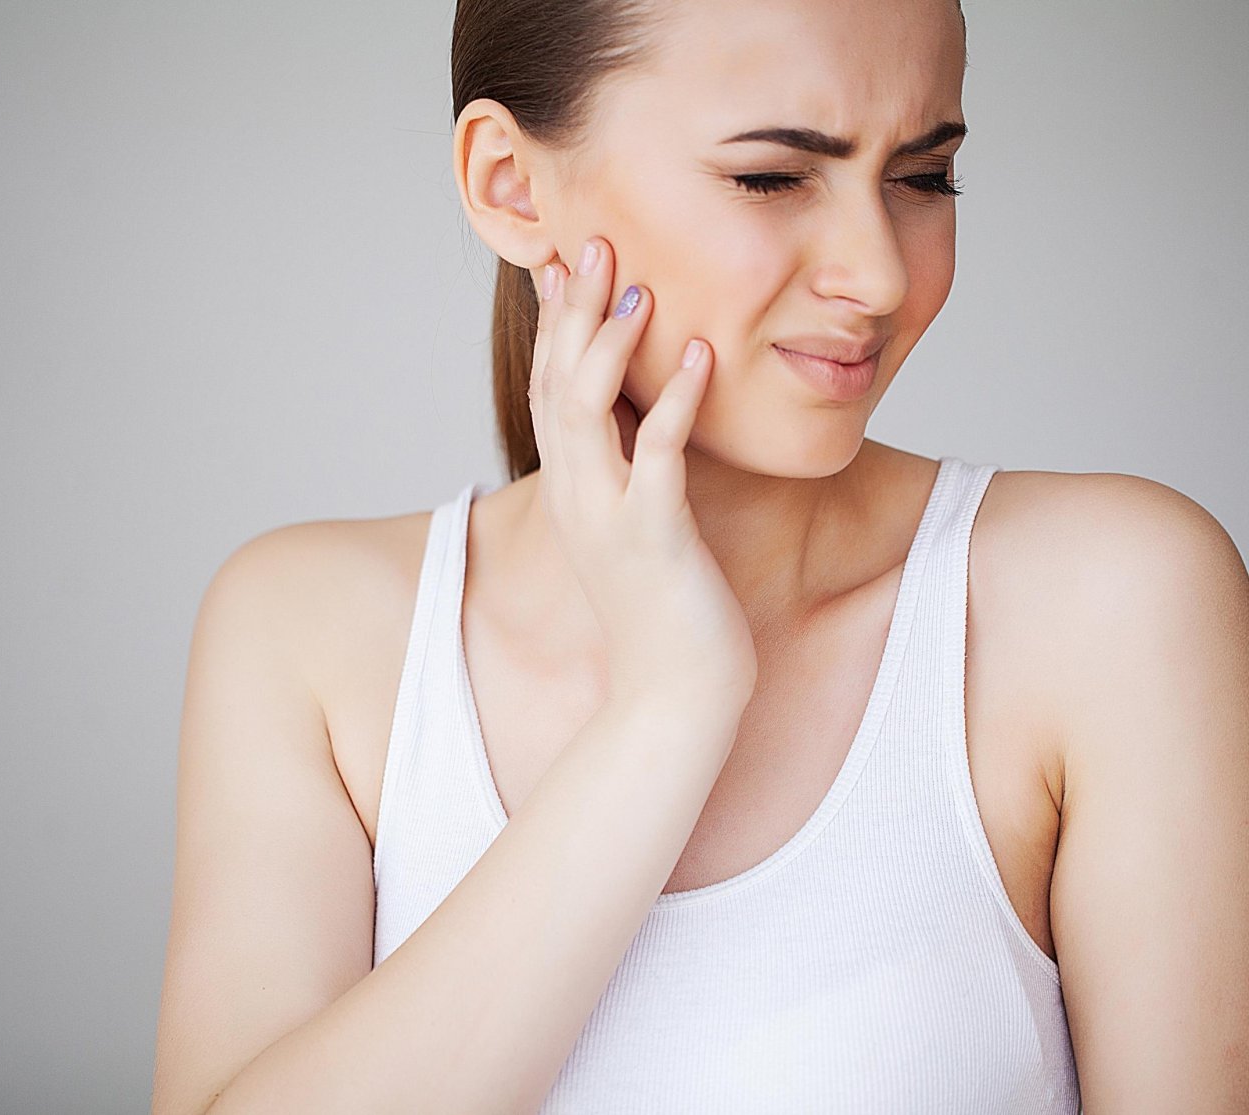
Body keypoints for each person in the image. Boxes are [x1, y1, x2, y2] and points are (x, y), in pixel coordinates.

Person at [150, 0, 1249, 1112]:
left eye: (922, 177)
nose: (875, 276)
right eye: (771, 177)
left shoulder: (1111, 604)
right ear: (509, 184)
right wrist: (667, 706)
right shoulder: (313, 632)